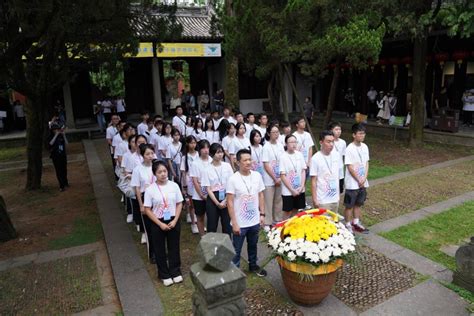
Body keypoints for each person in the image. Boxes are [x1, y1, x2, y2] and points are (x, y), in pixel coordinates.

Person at [227, 149, 267, 277]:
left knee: (253, 245)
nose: (248, 162)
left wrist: (262, 214)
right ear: (238, 162)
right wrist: (234, 222)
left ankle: (253, 265)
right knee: (236, 249)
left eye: (250, 159)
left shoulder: (257, 176)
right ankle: (235, 271)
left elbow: (261, 195)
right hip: (240, 222)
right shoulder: (233, 179)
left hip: (254, 220)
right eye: (245, 160)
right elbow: (230, 202)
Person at [144, 160, 184, 286]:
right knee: (159, 248)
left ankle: (175, 271)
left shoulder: (174, 186)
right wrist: (159, 224)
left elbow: (179, 203)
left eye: (165, 171)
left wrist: (175, 220)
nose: (163, 174)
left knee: (174, 246)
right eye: (159, 172)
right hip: (158, 221)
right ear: (155, 174)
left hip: (173, 219)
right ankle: (164, 274)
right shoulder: (150, 189)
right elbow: (147, 209)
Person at [131, 144, 157, 259]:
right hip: (145, 198)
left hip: (158, 198)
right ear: (142, 155)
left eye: (152, 153)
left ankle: (160, 251)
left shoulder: (157, 166)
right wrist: (141, 205)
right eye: (147, 154)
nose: (150, 156)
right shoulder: (137, 169)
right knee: (149, 227)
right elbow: (136, 188)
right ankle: (152, 254)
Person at [344, 124, 370, 234]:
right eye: (360, 133)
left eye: (363, 133)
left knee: (359, 203)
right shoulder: (349, 148)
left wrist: (364, 178)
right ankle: (348, 224)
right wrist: (358, 179)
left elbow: (367, 163)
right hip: (352, 183)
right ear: (354, 135)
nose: (362, 135)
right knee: (349, 205)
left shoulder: (365, 147)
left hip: (363, 182)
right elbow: (349, 166)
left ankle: (356, 222)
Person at [202, 143, 233, 236]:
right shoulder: (206, 169)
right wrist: (217, 203)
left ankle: (227, 247)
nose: (220, 155)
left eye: (221, 152)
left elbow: (231, 183)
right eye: (217, 152)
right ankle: (211, 249)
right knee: (212, 225)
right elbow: (208, 188)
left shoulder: (227, 166)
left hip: (226, 196)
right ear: (212, 154)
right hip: (213, 198)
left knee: (227, 225)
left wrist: (226, 200)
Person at [310, 131, 342, 213]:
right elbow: (313, 181)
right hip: (322, 200)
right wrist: (314, 199)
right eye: (328, 141)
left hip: (335, 198)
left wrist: (338, 195)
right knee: (323, 224)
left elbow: (337, 176)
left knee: (334, 223)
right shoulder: (315, 158)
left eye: (332, 141)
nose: (331, 144)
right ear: (321, 142)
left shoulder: (337, 156)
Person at [262, 123, 284, 227]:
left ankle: (277, 219)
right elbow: (266, 164)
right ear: (268, 133)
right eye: (273, 132)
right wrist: (275, 178)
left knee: (278, 200)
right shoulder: (266, 146)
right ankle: (267, 222)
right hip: (269, 178)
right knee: (268, 200)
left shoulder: (280, 145)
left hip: (280, 177)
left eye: (277, 132)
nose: (276, 134)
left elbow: (283, 161)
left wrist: (280, 177)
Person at [280, 135, 307, 219]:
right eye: (291, 142)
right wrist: (292, 190)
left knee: (296, 209)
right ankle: (284, 228)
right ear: (286, 144)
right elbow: (282, 175)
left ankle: (293, 228)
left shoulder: (299, 155)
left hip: (299, 188)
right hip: (288, 190)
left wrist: (302, 186)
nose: (294, 144)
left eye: (295, 142)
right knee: (287, 211)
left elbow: (303, 170)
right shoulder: (283, 157)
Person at [189, 140, 212, 236]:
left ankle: (211, 235)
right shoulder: (195, 163)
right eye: (203, 148)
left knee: (211, 216)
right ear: (199, 149)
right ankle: (202, 236)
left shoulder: (212, 160)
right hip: (198, 195)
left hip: (211, 193)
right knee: (200, 216)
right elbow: (195, 181)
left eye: (207, 147)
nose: (206, 150)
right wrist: (201, 195)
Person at [181, 135, 199, 234]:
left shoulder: (198, 155)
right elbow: (183, 172)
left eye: (194, 142)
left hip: (199, 181)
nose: (193, 145)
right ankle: (193, 223)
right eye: (191, 143)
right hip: (190, 181)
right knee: (191, 204)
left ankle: (199, 221)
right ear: (187, 144)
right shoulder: (185, 157)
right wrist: (185, 185)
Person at [48, 122, 69, 191]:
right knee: (58, 170)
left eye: (58, 129)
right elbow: (50, 143)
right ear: (53, 130)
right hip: (56, 156)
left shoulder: (61, 136)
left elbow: (67, 144)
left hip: (62, 155)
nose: (58, 130)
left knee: (64, 169)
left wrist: (64, 135)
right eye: (56, 129)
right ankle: (61, 185)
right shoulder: (51, 136)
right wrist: (56, 135)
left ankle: (65, 182)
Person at [328, 121, 346, 194]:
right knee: (330, 191)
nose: (339, 131)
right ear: (331, 130)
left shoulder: (343, 142)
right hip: (330, 171)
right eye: (336, 129)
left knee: (339, 191)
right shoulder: (328, 142)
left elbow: (343, 156)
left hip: (340, 171)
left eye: (340, 129)